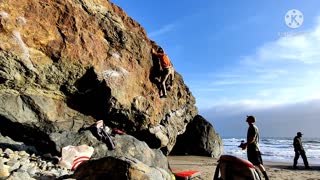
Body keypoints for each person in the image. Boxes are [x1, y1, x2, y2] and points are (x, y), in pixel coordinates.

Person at [241, 115, 269, 180]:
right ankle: (256, 176)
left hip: (253, 149)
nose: (246, 119)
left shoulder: (252, 127)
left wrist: (245, 144)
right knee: (253, 164)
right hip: (253, 148)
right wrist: (246, 145)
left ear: (250, 120)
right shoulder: (253, 127)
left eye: (248, 118)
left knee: (258, 164)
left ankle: (266, 178)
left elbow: (252, 139)